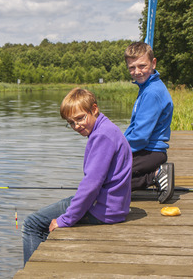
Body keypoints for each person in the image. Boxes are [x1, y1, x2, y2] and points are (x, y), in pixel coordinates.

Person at [21, 87, 132, 265]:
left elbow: (91, 185)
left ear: (94, 109)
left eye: (80, 118)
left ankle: (32, 273)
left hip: (104, 210)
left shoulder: (102, 136)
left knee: (33, 224)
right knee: (58, 208)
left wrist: (65, 220)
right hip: (112, 205)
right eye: (71, 123)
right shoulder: (106, 128)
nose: (77, 126)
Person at [123, 41, 175, 204]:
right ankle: (154, 175)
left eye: (142, 66)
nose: (137, 72)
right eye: (132, 67)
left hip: (150, 152)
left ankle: (156, 174)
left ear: (153, 63)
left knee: (106, 181)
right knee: (106, 176)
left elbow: (140, 137)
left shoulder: (152, 93)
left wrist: (118, 150)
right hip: (147, 151)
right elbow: (135, 128)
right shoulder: (147, 87)